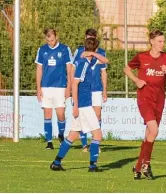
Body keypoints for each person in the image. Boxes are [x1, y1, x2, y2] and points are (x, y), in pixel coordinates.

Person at [123, 29, 166, 180]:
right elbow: (127, 69)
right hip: (145, 98)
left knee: (149, 134)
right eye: (160, 41)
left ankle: (137, 167)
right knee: (154, 130)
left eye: (163, 41)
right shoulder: (142, 57)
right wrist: (136, 80)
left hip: (159, 100)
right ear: (152, 42)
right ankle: (146, 164)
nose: (163, 44)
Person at [50, 38, 103, 172]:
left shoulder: (90, 61)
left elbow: (105, 61)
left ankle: (56, 163)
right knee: (97, 135)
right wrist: (75, 106)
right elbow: (74, 83)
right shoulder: (83, 64)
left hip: (83, 104)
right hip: (83, 105)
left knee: (73, 135)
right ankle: (92, 166)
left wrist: (92, 54)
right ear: (95, 49)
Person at [35, 28, 72, 149]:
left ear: (56, 37)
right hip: (46, 86)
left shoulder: (64, 49)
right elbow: (39, 69)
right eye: (48, 40)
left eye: (51, 40)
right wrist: (38, 88)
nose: (50, 42)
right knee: (47, 114)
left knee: (61, 113)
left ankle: (61, 135)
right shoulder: (42, 50)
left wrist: (69, 87)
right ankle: (49, 142)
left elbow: (69, 69)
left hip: (60, 86)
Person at [72, 28, 109, 152]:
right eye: (88, 37)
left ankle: (95, 144)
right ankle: (84, 144)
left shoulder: (101, 53)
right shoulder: (79, 51)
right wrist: (70, 88)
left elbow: (104, 71)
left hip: (96, 88)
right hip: (83, 89)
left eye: (92, 38)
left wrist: (105, 90)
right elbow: (72, 69)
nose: (89, 39)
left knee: (97, 115)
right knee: (83, 117)